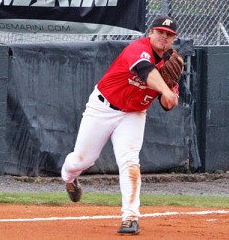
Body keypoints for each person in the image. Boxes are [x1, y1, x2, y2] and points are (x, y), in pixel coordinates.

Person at [61, 15, 181, 235]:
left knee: (129, 163)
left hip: (133, 115)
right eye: (160, 32)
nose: (164, 37)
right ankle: (69, 178)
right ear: (151, 33)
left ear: (174, 39)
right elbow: (145, 70)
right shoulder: (138, 48)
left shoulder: (171, 65)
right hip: (103, 107)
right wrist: (165, 88)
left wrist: (170, 95)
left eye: (169, 35)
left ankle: (130, 218)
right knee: (82, 159)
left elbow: (166, 104)